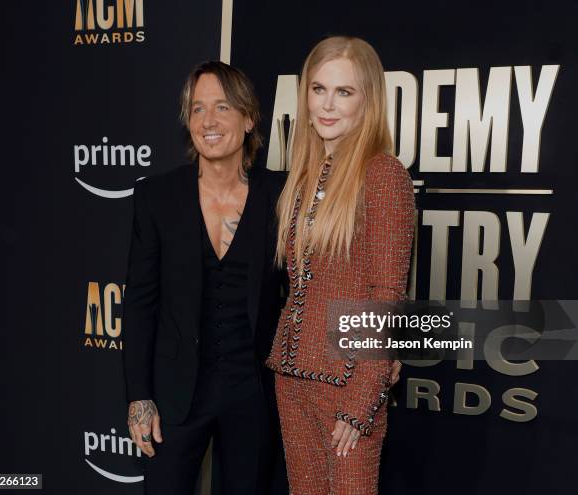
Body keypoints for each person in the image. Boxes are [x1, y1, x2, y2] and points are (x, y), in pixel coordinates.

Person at [122, 61, 289, 495]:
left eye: (222, 107)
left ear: (249, 118)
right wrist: (140, 397)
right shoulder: (156, 197)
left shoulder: (282, 195)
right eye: (197, 109)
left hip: (253, 395)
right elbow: (140, 302)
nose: (208, 121)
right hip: (175, 396)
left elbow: (308, 289)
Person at [266, 36, 415, 494]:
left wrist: (362, 400)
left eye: (344, 92)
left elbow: (386, 296)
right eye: (318, 89)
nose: (328, 105)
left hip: (348, 383)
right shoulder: (305, 176)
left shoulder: (383, 173)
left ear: (367, 100)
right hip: (292, 378)